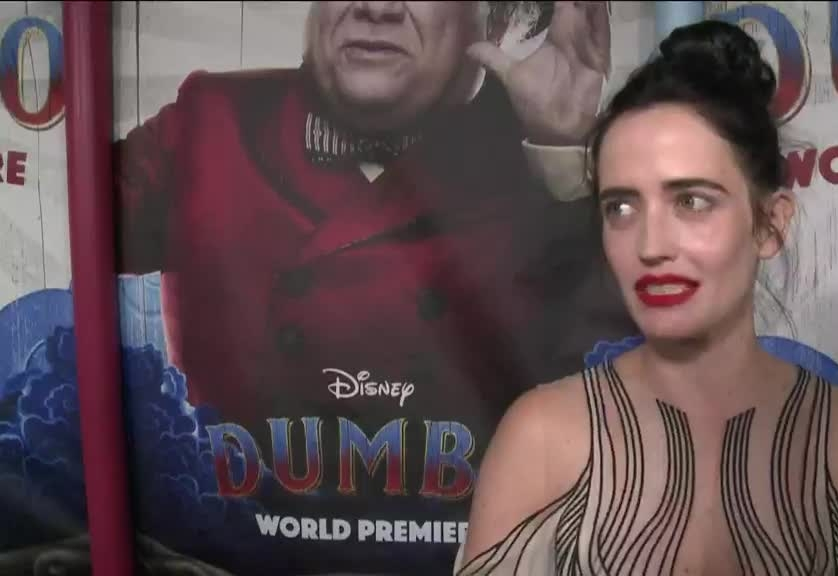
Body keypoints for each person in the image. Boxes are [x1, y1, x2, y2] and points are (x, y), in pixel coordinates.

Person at [114, 1, 635, 573]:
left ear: (503, 18)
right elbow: (69, 221)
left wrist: (564, 152)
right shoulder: (208, 120)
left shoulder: (544, 157)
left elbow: (622, 375)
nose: (376, 8)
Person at [456, 20, 838, 575]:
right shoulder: (539, 439)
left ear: (770, 225)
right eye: (621, 207)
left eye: (691, 201)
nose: (651, 246)